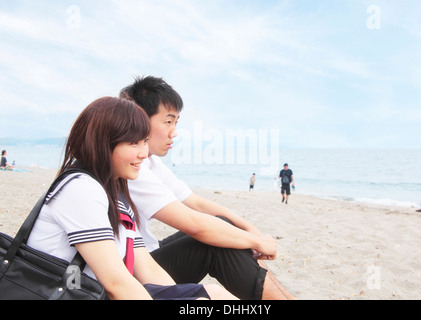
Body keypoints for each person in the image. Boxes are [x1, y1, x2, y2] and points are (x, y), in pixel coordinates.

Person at [27, 97, 236, 300]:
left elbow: (147, 267)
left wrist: (179, 295)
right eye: (133, 143)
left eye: (145, 141)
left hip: (99, 292)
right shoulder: (81, 189)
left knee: (211, 294)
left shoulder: (114, 193)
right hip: (72, 293)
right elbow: (115, 284)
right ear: (103, 143)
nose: (144, 153)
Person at [120, 75, 295, 300]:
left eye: (176, 122)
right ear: (140, 119)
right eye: (168, 121)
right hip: (134, 274)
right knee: (214, 244)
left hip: (144, 254)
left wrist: (249, 230)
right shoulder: (133, 167)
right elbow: (194, 224)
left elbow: (196, 203)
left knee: (225, 227)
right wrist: (256, 242)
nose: (174, 132)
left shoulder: (150, 161)